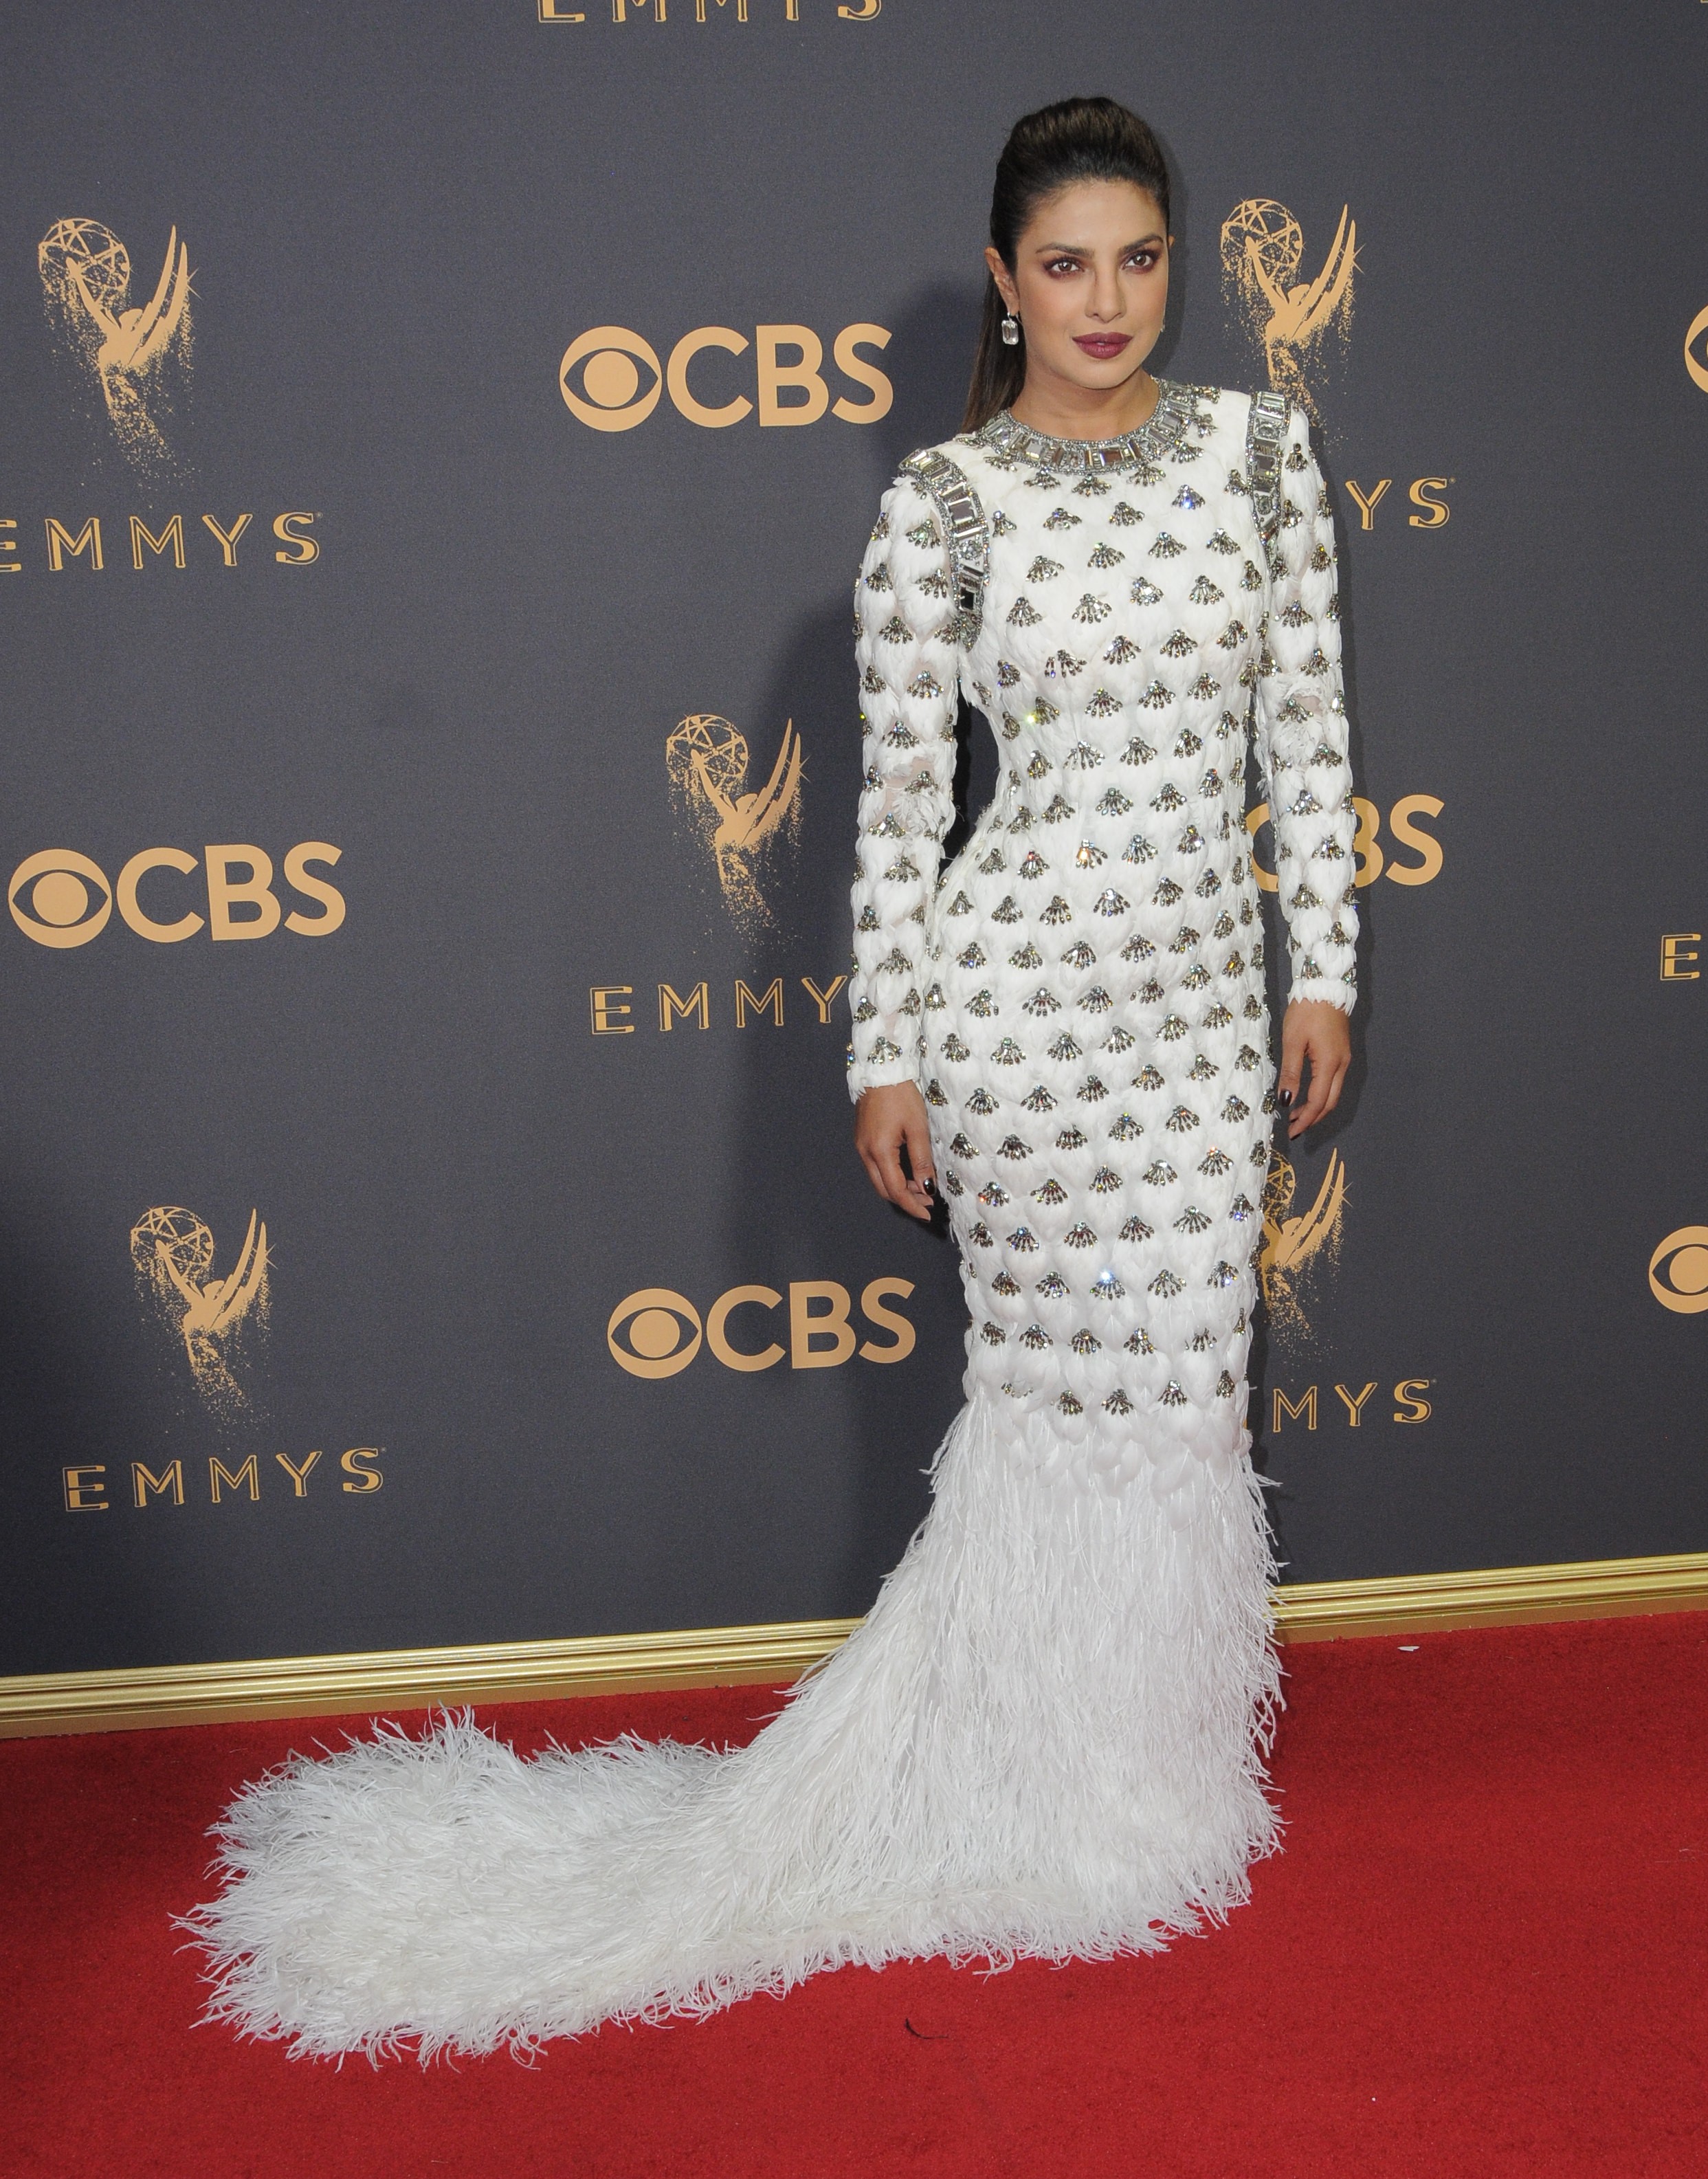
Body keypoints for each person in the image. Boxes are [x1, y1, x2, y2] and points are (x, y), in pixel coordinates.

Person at [188, 96, 1357, 2059]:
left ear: (1178, 262)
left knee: (1182, 1398)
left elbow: (1305, 736)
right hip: (1021, 1024)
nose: (1106, 300)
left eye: (1141, 259)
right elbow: (896, 818)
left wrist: (1326, 964)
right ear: (1003, 281)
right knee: (1056, 1405)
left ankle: (1154, 1775)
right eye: (1064, 264)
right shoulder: (944, 506)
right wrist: (886, 1052)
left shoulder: (1261, 455)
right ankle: (1043, 1784)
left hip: (1204, 1024)